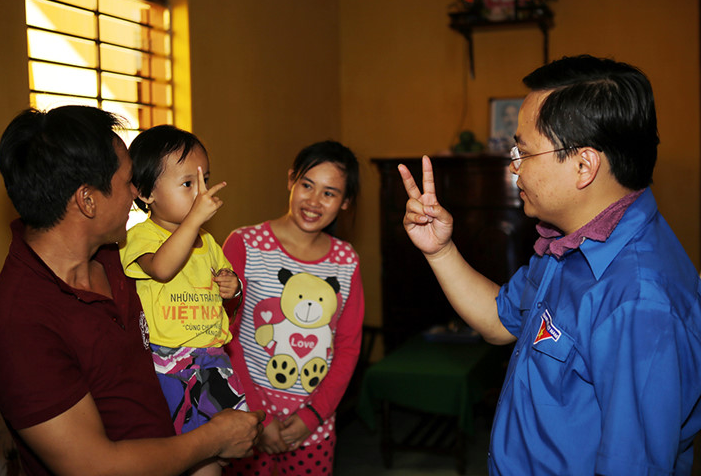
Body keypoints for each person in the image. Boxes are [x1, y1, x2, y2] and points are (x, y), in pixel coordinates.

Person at [399, 55, 701, 475]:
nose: (514, 166)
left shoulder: (638, 301)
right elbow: (499, 320)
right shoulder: (571, 242)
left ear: (584, 165)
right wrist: (440, 251)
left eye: (523, 151)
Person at [0, 106, 264, 476]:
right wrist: (213, 439)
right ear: (87, 200)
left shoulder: (116, 257)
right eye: (129, 181)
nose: (137, 193)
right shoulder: (16, 325)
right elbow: (93, 467)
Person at [222, 140, 364, 475]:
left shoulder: (346, 261)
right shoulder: (244, 244)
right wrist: (260, 416)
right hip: (247, 419)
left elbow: (347, 347)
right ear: (291, 180)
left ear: (345, 203)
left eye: (330, 193)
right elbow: (225, 337)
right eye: (307, 185)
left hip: (313, 427)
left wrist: (312, 416)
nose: (314, 201)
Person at [119, 125, 247, 476]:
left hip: (210, 358)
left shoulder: (207, 242)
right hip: (166, 364)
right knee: (178, 450)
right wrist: (193, 222)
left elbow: (230, 292)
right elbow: (161, 268)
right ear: (146, 192)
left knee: (219, 448)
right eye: (188, 183)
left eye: (205, 181)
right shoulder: (140, 236)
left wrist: (231, 286)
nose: (200, 193)